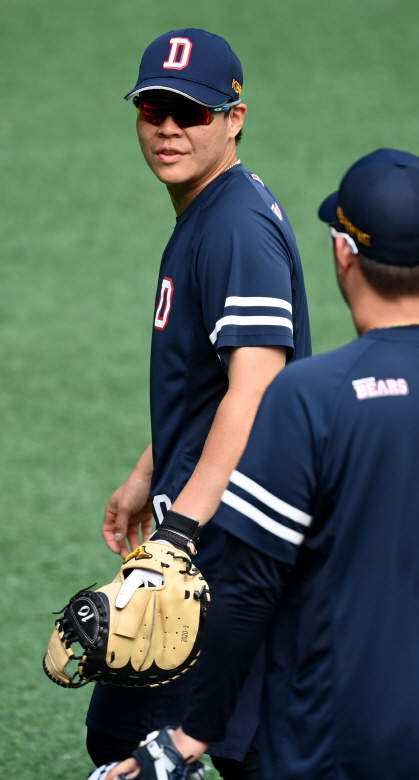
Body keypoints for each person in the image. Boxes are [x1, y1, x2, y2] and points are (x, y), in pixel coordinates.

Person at [104, 148, 419, 780]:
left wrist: (191, 736)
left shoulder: (310, 398)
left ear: (342, 253)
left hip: (336, 743)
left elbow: (251, 588)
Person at [85, 28, 311, 780]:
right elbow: (209, 383)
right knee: (128, 734)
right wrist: (149, 470)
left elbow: (258, 387)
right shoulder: (210, 212)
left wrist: (180, 531)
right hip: (206, 525)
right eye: (155, 109)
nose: (170, 129)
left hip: (231, 538)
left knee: (241, 754)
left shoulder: (237, 227)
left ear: (234, 119)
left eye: (193, 112)